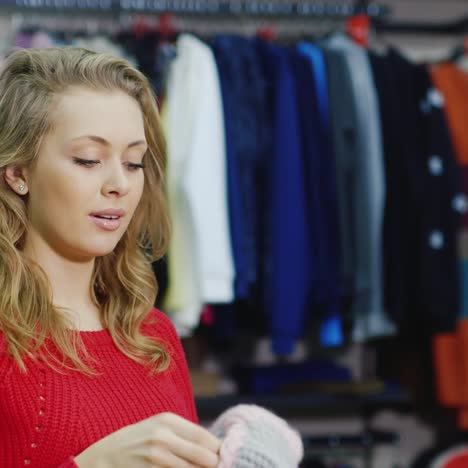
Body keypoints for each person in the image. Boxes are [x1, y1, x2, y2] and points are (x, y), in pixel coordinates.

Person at [0, 47, 221, 468]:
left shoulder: (154, 336)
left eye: (134, 162)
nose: (119, 183)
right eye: (89, 159)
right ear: (19, 173)